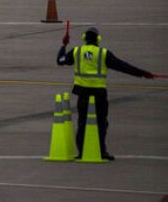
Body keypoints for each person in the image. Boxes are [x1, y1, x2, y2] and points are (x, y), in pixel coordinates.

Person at [57, 26, 155, 161]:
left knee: (82, 123)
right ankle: (102, 151)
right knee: (101, 122)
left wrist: (64, 44)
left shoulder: (76, 51)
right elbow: (123, 66)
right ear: (98, 39)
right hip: (99, 93)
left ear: (84, 39)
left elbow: (60, 60)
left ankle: (82, 153)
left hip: (82, 92)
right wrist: (142, 73)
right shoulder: (103, 53)